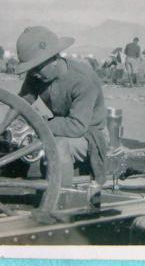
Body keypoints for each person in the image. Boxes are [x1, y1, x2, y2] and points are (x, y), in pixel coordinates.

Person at [15, 26, 108, 188]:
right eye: (30, 69)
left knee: (58, 148)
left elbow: (77, 126)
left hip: (90, 133)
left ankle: (60, 199)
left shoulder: (83, 80)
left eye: (37, 67)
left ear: (54, 58)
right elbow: (21, 103)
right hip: (63, 127)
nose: (33, 73)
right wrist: (12, 125)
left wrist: (38, 125)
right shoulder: (37, 75)